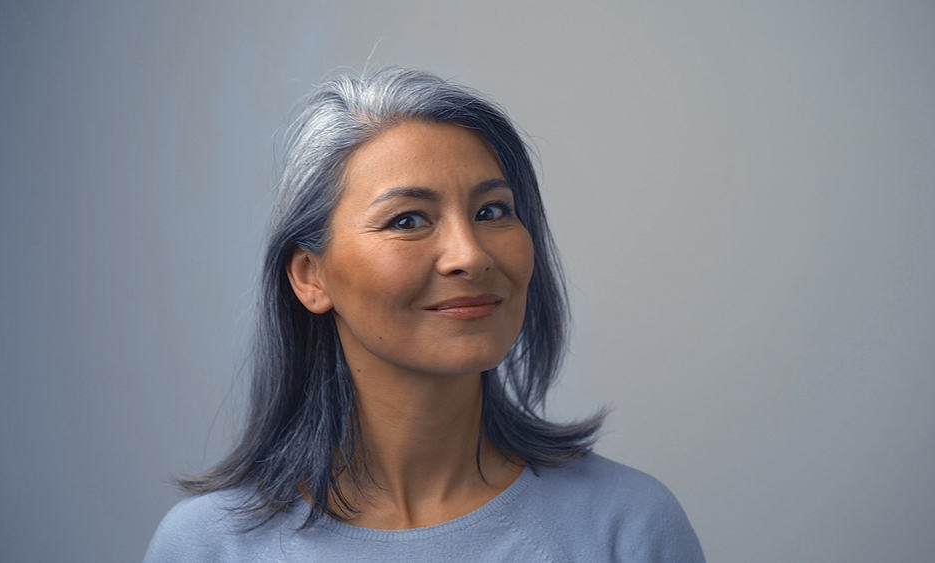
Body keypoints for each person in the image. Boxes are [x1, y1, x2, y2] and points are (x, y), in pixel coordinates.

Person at [144, 67, 705, 562]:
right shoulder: (208, 547)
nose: (471, 255)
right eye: (408, 220)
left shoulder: (628, 528)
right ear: (310, 276)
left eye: (492, 211)